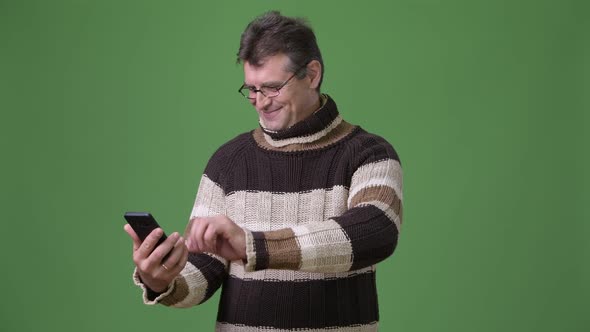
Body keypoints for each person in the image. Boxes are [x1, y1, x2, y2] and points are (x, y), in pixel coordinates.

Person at [124, 10, 403, 332]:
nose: (260, 102)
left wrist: (252, 245)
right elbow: (204, 268)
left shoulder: (369, 153)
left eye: (271, 88)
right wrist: (162, 278)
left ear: (312, 75)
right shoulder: (228, 160)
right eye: (251, 89)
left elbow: (374, 234)